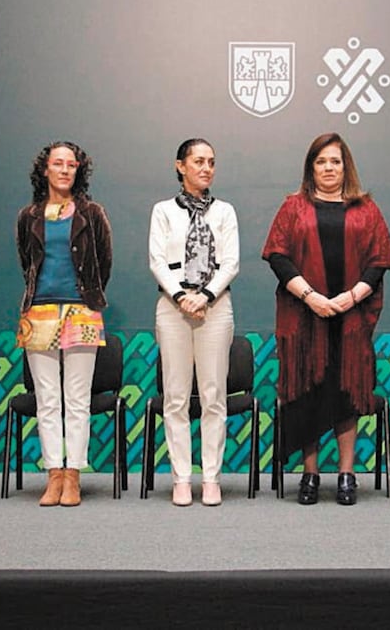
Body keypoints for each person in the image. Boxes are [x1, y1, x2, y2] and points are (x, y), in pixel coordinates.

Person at [262, 132, 390, 506]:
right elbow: (278, 257)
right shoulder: (293, 207)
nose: (328, 168)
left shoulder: (366, 208)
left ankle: (346, 474)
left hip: (350, 321)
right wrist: (312, 297)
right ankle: (310, 475)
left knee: (346, 396)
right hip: (305, 319)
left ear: (345, 166)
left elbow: (379, 262)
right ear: (311, 167)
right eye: (321, 161)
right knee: (307, 394)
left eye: (334, 161)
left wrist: (349, 298)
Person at [15, 141, 112, 507]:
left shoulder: (92, 213)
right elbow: (26, 261)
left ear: (78, 171)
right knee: (47, 399)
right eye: (58, 163)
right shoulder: (28, 215)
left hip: (82, 311)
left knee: (77, 398)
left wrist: (86, 294)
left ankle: (74, 475)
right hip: (37, 313)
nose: (65, 170)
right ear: (45, 170)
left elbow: (104, 261)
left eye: (71, 164)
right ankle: (53, 473)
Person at [148, 138, 239, 507]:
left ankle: (211, 477)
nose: (206, 168)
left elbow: (231, 262)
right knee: (176, 396)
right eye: (198, 161)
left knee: (214, 395)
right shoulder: (163, 210)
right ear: (180, 166)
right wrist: (182, 296)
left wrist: (206, 295)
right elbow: (156, 259)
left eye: (211, 162)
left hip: (215, 307)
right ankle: (182, 477)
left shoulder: (225, 212)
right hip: (173, 307)